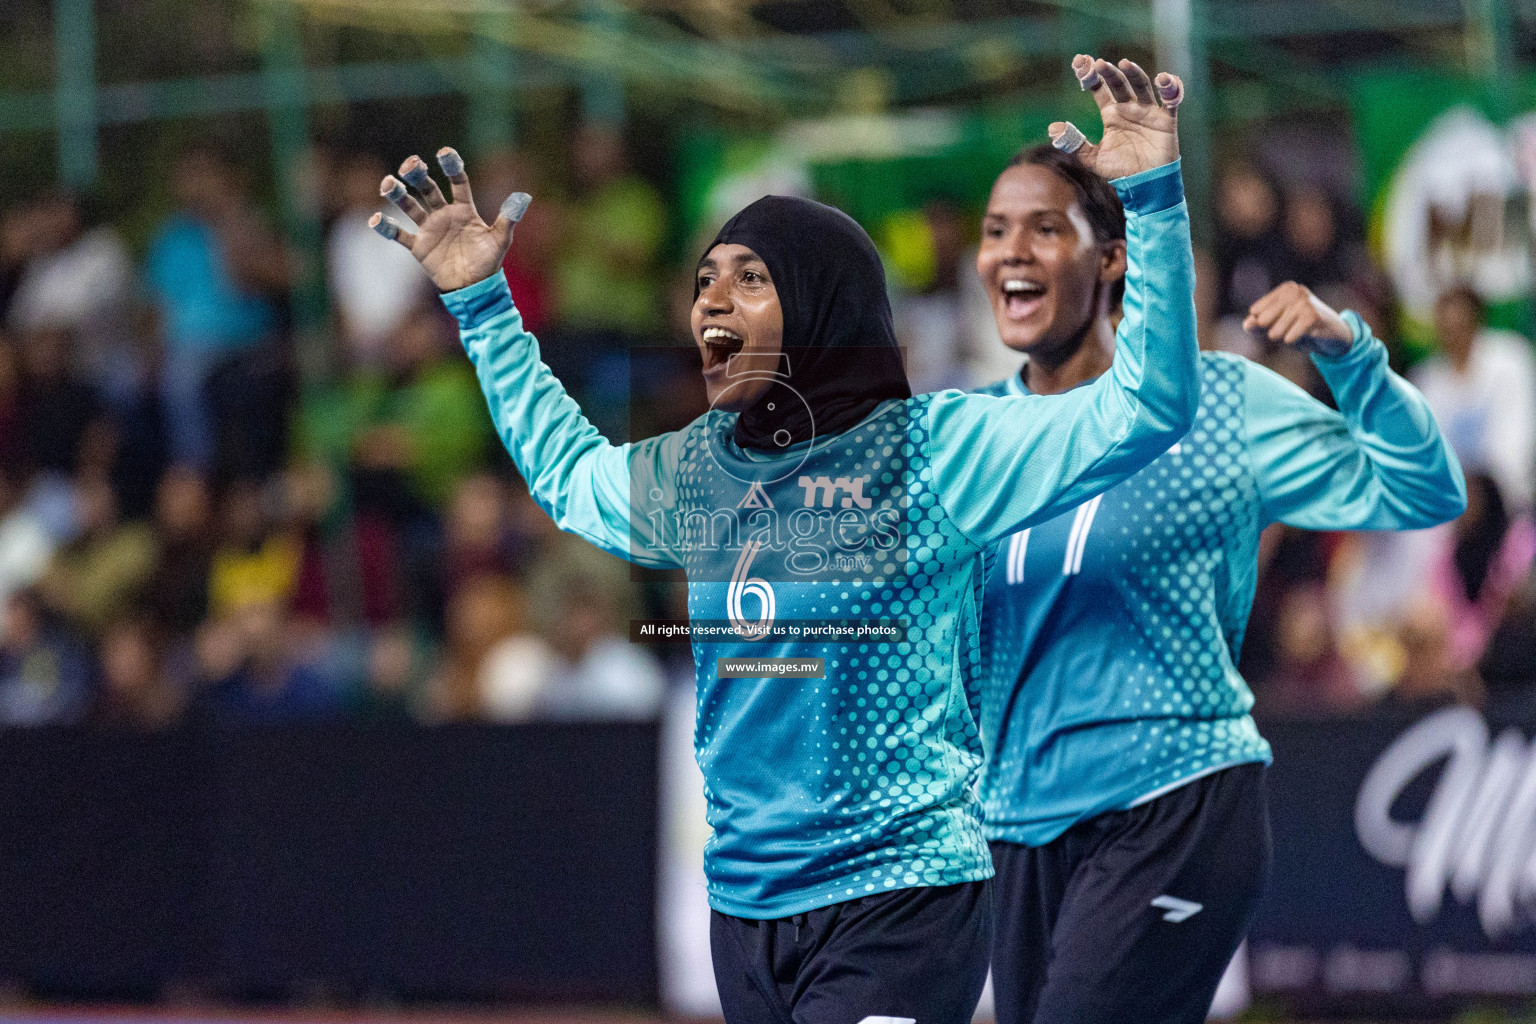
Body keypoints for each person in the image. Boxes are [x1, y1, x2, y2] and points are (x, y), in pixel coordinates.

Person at [371, 54, 1199, 1024]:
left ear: (819, 305)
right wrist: (482, 304)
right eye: (704, 282)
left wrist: (1152, 199)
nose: (709, 303)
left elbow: (1149, 402)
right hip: (746, 916)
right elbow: (567, 475)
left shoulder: (937, 452)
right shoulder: (700, 471)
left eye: (749, 280)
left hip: (902, 902)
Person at [970, 140, 1468, 1020]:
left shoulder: (1219, 403)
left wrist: (1351, 355)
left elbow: (1424, 487)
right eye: (996, 229)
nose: (1011, 250)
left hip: (1175, 802)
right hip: (1018, 827)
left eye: (1046, 228)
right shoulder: (974, 433)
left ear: (1113, 256)